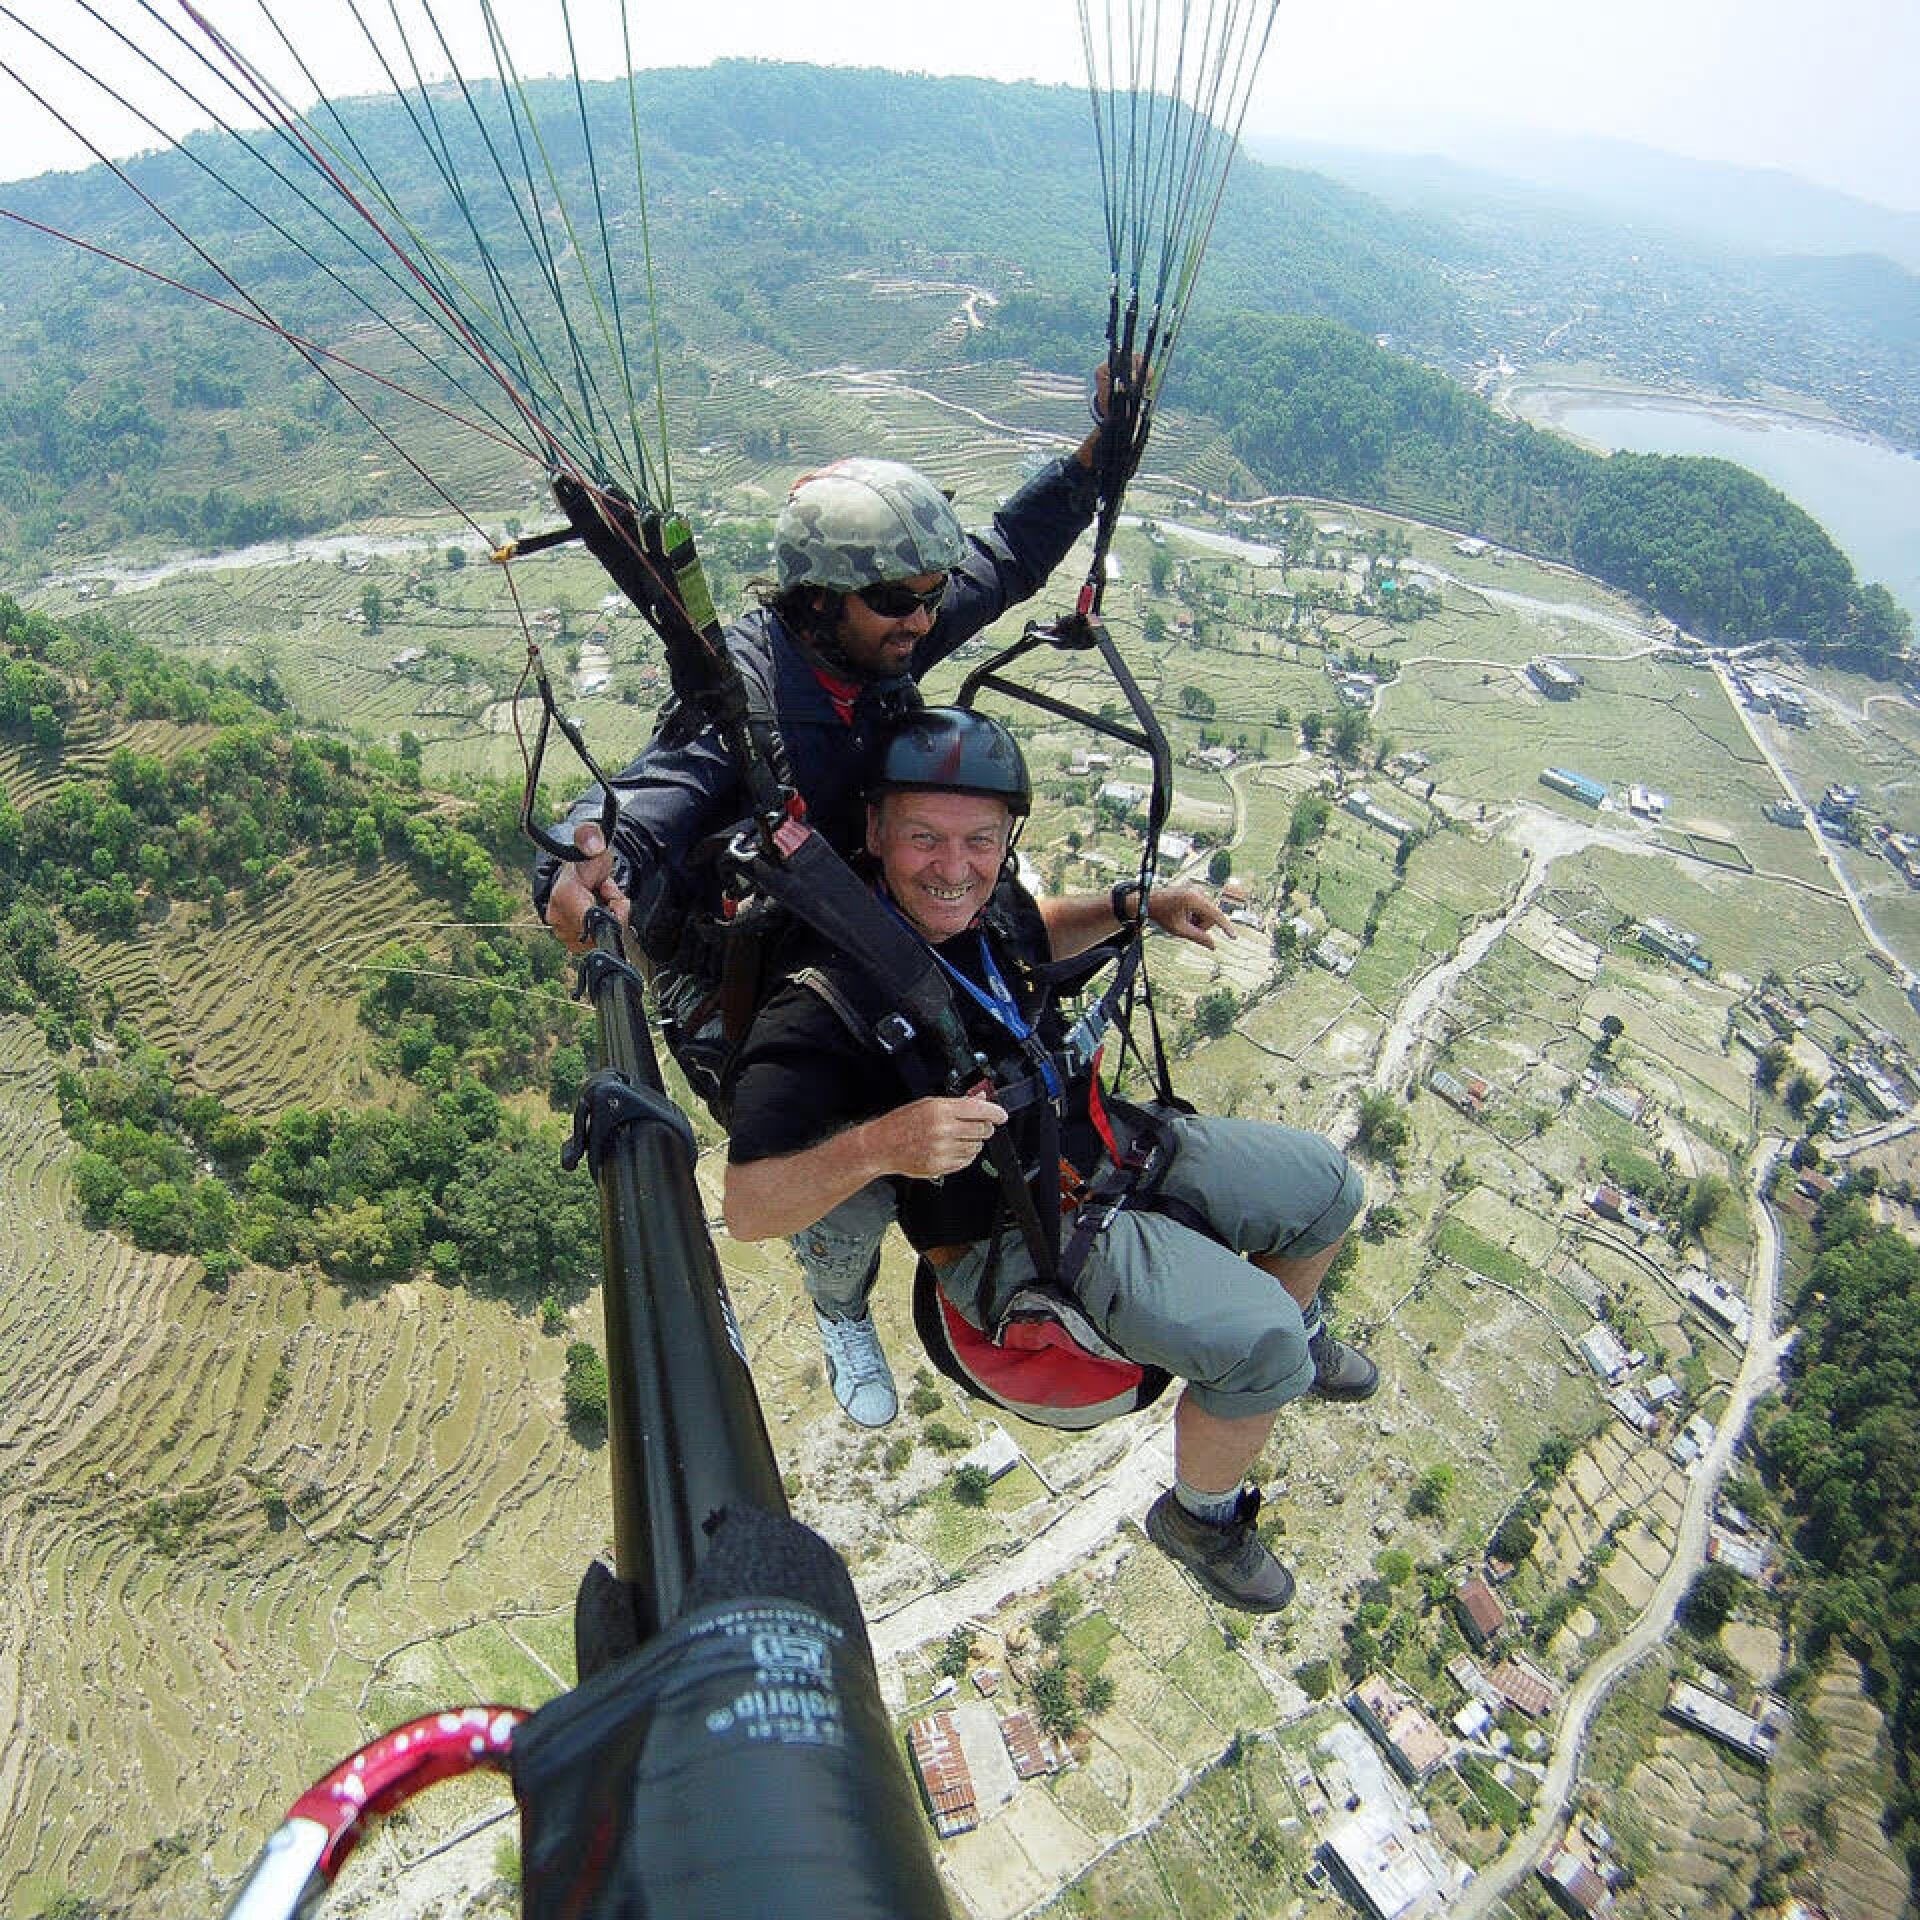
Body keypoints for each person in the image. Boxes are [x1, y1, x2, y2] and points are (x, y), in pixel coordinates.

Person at [535, 380, 1118, 1427]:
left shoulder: (878, 639)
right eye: (899, 600)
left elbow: (1011, 559)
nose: (926, 618)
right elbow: (651, 799)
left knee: (1001, 1008)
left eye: (929, 595)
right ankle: (839, 1297)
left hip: (858, 913)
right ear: (818, 601)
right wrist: (586, 867)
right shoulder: (743, 702)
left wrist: (1091, 463)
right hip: (746, 962)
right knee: (843, 1171)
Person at [721, 708, 1376, 1613]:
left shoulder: (990, 911)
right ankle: (1202, 1514)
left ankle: (1297, 1336)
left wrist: (1132, 908)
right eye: (924, 839)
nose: (955, 869)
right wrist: (884, 1144)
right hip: (1012, 1235)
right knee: (1260, 1346)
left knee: (1329, 1190)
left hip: (1106, 1144)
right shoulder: (821, 1006)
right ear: (873, 833)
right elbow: (748, 1207)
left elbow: (1038, 930)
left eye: (980, 842)